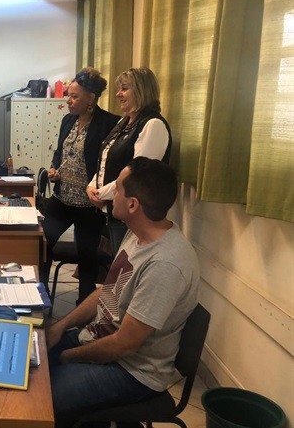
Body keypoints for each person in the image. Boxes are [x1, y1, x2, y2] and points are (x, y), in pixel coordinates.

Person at [46, 157, 199, 427]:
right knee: (31, 359)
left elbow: (124, 345)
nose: (110, 193)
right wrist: (61, 326)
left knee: (42, 398)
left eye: (116, 188)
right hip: (99, 341)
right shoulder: (137, 233)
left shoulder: (165, 264)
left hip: (132, 372)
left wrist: (67, 356)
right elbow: (107, 293)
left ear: (132, 205)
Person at [41, 68, 119, 303]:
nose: (68, 100)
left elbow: (109, 163)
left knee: (87, 259)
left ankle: (83, 307)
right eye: (68, 95)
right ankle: (40, 295)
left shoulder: (109, 123)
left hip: (89, 205)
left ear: (91, 98)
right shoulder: (68, 120)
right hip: (62, 200)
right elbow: (60, 152)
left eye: (74, 96)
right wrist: (54, 169)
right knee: (41, 246)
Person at [87, 67, 172, 255]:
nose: (118, 94)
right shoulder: (124, 122)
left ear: (141, 91)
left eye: (124, 89)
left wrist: (100, 194)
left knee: (126, 267)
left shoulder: (153, 125)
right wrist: (91, 186)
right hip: (113, 210)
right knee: (114, 266)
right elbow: (105, 159)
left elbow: (135, 175)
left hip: (133, 217)